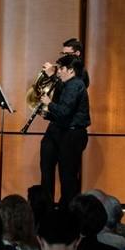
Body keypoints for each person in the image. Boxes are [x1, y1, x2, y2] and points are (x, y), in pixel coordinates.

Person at [39, 55, 91, 206]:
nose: (58, 71)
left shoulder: (75, 85)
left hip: (72, 134)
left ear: (71, 71)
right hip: (63, 131)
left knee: (67, 175)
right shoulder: (68, 84)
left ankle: (68, 210)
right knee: (50, 169)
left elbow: (65, 111)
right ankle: (47, 206)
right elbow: (63, 114)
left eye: (61, 69)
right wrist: (48, 114)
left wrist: (49, 104)